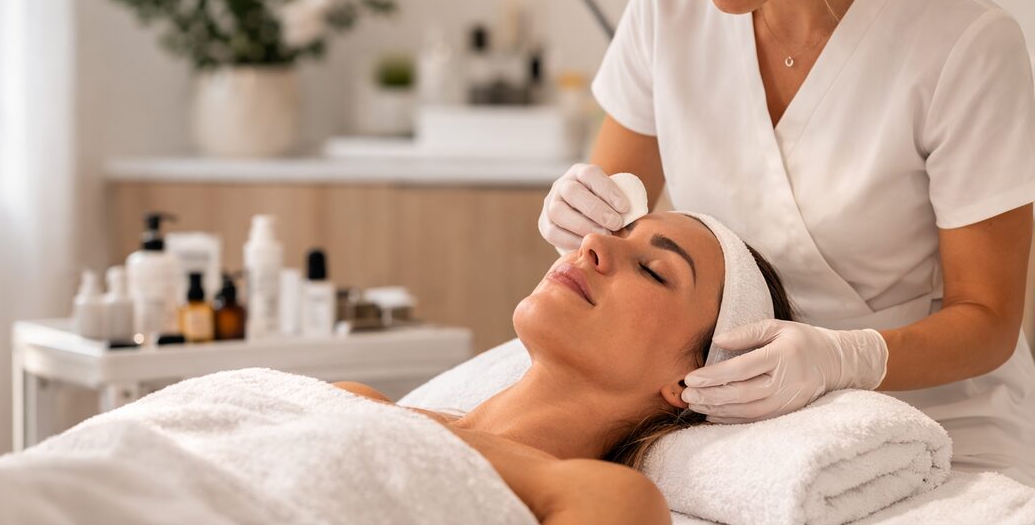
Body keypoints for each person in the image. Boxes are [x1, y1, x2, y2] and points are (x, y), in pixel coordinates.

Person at [538, 0, 1035, 484]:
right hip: (734, 429)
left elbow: (989, 323)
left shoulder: (965, 46)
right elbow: (610, 221)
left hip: (939, 428)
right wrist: (579, 212)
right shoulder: (668, 6)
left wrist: (848, 357)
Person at [339, 211, 793, 524]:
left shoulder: (608, 499)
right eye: (616, 232)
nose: (592, 242)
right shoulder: (356, 400)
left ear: (692, 380)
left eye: (653, 270)